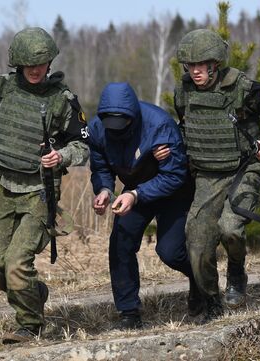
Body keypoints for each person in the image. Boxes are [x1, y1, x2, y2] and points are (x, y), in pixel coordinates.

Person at [0, 27, 89, 343]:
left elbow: (82, 146)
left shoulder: (63, 100)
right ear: (18, 63)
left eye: (41, 64)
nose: (35, 69)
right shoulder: (0, 89)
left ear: (49, 63)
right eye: (29, 64)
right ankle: (34, 292)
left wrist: (61, 156)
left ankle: (30, 324)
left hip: (41, 191)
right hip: (5, 188)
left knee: (16, 265)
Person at [173, 29, 260, 323]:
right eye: (190, 66)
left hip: (244, 168)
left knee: (230, 228)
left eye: (202, 65)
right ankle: (212, 302)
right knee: (197, 245)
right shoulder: (183, 93)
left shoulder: (245, 88)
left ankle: (237, 271)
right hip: (207, 177)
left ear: (216, 63)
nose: (196, 71)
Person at [87, 82, 200, 329]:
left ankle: (201, 282)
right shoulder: (96, 129)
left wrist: (135, 195)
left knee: (170, 252)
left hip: (172, 192)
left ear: (133, 117)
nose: (116, 129)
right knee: (120, 244)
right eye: (110, 124)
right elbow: (101, 167)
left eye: (122, 123)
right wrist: (105, 190)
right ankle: (129, 311)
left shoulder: (159, 125)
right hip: (134, 190)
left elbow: (174, 176)